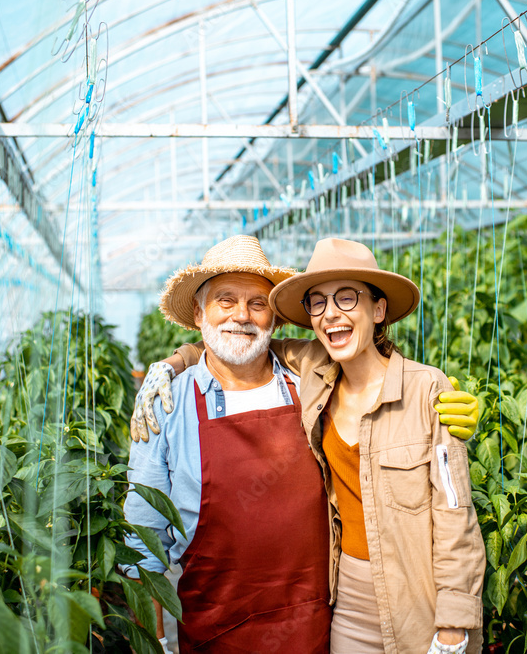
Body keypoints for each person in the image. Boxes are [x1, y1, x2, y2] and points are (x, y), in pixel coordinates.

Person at [123, 235, 479, 653]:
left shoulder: (310, 381)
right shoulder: (165, 406)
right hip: (214, 629)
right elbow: (142, 545)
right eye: (225, 301)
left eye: (257, 304)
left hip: (317, 623)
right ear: (199, 313)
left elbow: (453, 510)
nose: (242, 316)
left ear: (273, 320)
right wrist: (153, 643)